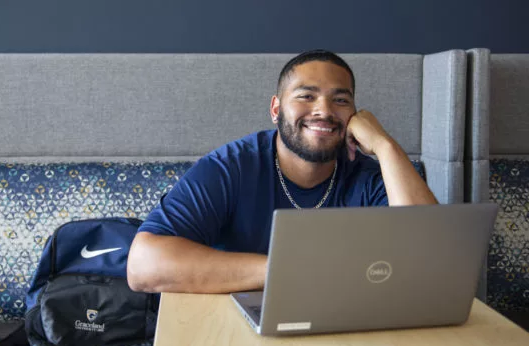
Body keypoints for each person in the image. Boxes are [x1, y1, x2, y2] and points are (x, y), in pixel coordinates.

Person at [127, 50, 437, 294]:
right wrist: (287, 270)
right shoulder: (232, 167)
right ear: (276, 110)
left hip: (343, 326)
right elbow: (143, 266)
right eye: (306, 96)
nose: (325, 111)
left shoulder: (369, 175)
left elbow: (432, 260)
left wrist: (384, 145)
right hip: (233, 324)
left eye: (340, 100)